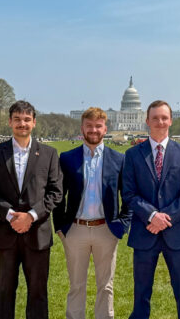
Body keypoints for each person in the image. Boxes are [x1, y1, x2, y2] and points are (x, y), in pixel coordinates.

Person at [0, 100, 63, 319]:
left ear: (34, 122)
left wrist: (31, 216)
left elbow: (55, 192)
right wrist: (9, 214)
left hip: (37, 234)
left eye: (26, 119)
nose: (22, 124)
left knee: (38, 294)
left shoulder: (49, 154)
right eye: (17, 119)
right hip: (4, 233)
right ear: (9, 122)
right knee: (3, 293)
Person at [122, 100, 180, 319]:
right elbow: (128, 193)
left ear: (171, 120)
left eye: (164, 117)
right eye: (155, 118)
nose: (160, 122)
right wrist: (152, 215)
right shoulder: (133, 154)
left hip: (177, 233)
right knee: (141, 292)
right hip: (145, 232)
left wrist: (165, 217)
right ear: (147, 121)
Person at [53, 107, 131, 319]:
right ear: (82, 128)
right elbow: (59, 195)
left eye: (98, 126)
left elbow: (128, 195)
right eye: (89, 126)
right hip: (76, 229)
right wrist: (59, 226)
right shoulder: (68, 158)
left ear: (106, 128)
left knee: (105, 286)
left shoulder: (118, 159)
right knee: (76, 285)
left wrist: (122, 225)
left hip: (106, 229)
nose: (93, 130)